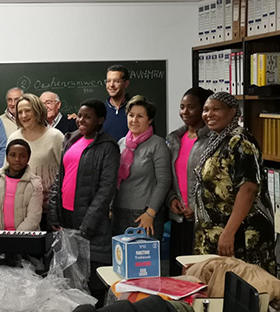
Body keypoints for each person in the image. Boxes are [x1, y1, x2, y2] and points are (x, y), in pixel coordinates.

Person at [194, 92, 276, 275]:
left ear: (232, 112)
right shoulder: (216, 139)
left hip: (241, 233)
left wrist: (228, 232)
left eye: (216, 109)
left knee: (244, 290)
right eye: (206, 110)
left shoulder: (240, 141)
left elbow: (248, 189)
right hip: (216, 231)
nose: (209, 114)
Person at [48, 98, 119, 303]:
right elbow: (59, 178)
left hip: (90, 223)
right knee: (70, 278)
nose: (81, 120)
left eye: (88, 117)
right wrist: (54, 212)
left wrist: (87, 225)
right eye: (79, 115)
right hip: (66, 217)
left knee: (92, 279)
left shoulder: (108, 147)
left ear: (100, 120)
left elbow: (106, 190)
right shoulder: (71, 139)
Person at [165, 87, 213, 276]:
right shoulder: (174, 138)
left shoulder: (213, 139)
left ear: (203, 109)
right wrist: (171, 199)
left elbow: (212, 181)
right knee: (178, 270)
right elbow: (168, 175)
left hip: (202, 217)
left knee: (198, 272)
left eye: (191, 107)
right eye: (182, 107)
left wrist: (196, 206)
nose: (185, 112)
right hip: (178, 215)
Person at [112, 95, 171, 240]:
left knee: (142, 261)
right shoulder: (121, 143)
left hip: (144, 215)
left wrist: (151, 213)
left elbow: (163, 181)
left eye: (140, 116)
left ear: (149, 120)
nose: (134, 120)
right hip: (118, 212)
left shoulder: (157, 144)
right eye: (131, 115)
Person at [8, 93, 64, 212]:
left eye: (28, 111)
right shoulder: (14, 137)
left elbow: (66, 171)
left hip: (50, 208)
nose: (23, 115)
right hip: (21, 206)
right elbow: (7, 169)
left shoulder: (55, 136)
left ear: (37, 111)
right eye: (20, 112)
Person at [0, 139, 42, 231]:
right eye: (13, 155)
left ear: (28, 158)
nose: (17, 159)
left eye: (22, 156)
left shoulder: (34, 184)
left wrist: (16, 237)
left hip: (25, 238)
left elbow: (33, 217)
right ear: (7, 157)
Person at [103, 65, 131, 142]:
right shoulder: (100, 110)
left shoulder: (136, 110)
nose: (111, 85)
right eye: (108, 81)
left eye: (116, 81)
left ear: (126, 83)